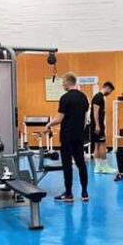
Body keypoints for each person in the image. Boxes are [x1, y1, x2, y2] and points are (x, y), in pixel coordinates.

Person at [46, 72, 90, 202]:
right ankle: (85, 193)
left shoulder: (65, 98)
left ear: (67, 82)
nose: (63, 85)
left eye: (63, 82)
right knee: (81, 164)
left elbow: (59, 119)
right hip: (79, 136)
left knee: (67, 165)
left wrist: (48, 124)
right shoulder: (84, 98)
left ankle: (69, 194)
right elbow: (85, 119)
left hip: (67, 136)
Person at [90, 81, 116, 174]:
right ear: (107, 88)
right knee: (102, 145)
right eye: (110, 91)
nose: (109, 93)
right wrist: (97, 125)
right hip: (98, 125)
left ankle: (97, 167)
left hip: (96, 125)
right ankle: (105, 166)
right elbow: (95, 111)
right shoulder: (99, 97)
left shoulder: (99, 97)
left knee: (97, 145)